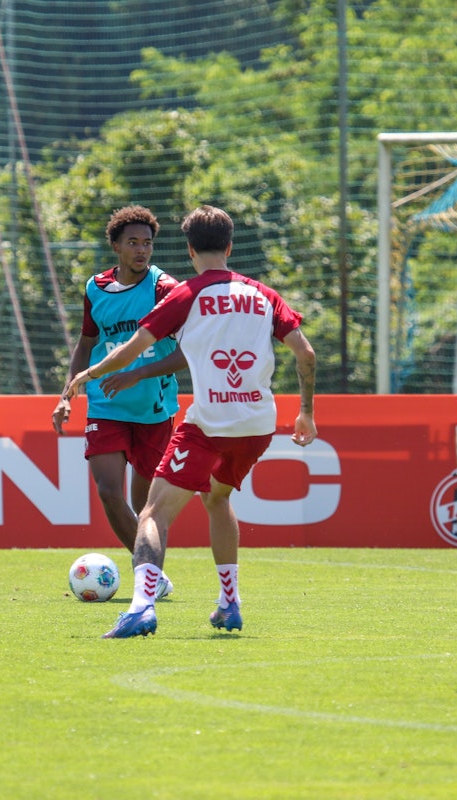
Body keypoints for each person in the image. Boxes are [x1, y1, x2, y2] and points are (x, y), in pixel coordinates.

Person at [63, 205, 317, 639]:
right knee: (217, 500)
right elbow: (306, 354)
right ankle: (229, 603)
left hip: (208, 423)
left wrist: (88, 375)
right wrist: (307, 412)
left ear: (190, 249)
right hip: (257, 424)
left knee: (153, 513)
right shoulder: (262, 293)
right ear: (230, 246)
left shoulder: (186, 293)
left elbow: (134, 346)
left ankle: (142, 608)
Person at [52, 205, 185, 597]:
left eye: (148, 243)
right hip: (106, 404)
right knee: (109, 491)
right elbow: (87, 344)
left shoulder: (166, 290)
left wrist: (138, 373)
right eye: (133, 243)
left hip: (153, 410)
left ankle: (148, 575)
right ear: (115, 246)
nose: (142, 250)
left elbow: (188, 352)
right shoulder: (96, 288)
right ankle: (151, 578)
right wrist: (67, 396)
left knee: (145, 509)